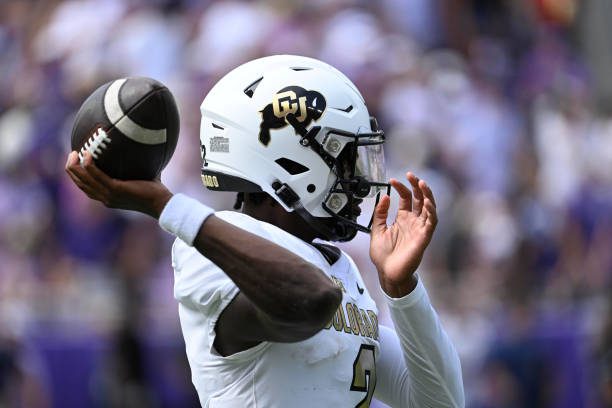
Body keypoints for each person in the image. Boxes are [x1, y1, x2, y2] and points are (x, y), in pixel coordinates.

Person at [65, 55, 464, 407]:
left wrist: (403, 291)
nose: (359, 183)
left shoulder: (339, 269)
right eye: (346, 161)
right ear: (290, 160)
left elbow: (441, 403)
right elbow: (310, 302)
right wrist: (165, 205)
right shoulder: (210, 249)